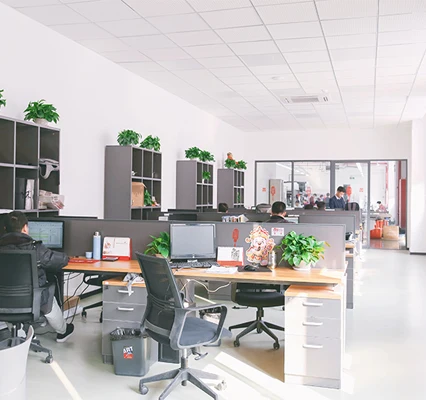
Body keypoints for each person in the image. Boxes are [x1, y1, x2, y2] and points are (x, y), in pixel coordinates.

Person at [0, 211, 74, 342]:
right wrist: (67, 257)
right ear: (25, 228)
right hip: (34, 299)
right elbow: (60, 260)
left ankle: (23, 333)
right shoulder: (36, 249)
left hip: (4, 301)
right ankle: (62, 331)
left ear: (5, 229)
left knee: (8, 299)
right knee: (48, 297)